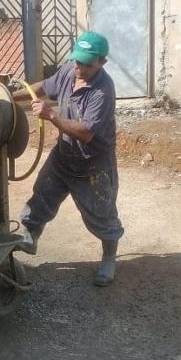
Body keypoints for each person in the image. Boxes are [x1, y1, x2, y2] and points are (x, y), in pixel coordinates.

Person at [12, 31, 124, 287]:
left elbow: (85, 133)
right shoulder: (69, 71)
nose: (79, 67)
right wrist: (12, 96)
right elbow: (43, 87)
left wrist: (51, 116)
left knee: (101, 214)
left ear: (101, 63)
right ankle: (31, 234)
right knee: (42, 195)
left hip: (93, 164)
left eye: (86, 63)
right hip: (64, 155)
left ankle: (109, 256)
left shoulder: (102, 92)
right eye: (77, 60)